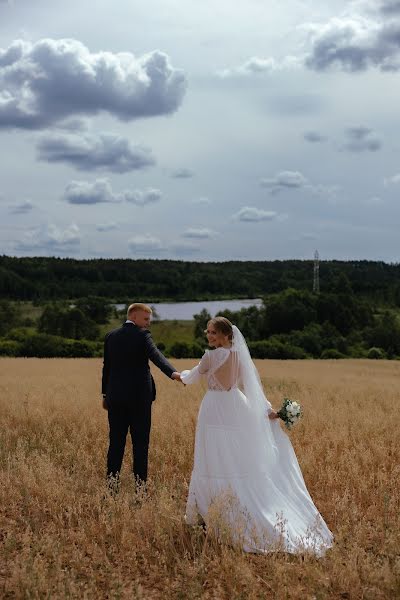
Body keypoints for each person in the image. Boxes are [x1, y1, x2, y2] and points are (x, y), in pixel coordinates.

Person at [181, 316, 333, 556]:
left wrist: (177, 375)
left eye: (212, 332)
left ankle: (210, 510)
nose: (209, 336)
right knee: (232, 455)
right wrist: (268, 411)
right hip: (235, 405)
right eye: (207, 332)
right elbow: (251, 389)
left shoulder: (209, 357)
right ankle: (224, 506)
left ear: (225, 335)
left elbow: (191, 378)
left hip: (213, 410)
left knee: (212, 455)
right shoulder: (239, 356)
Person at [102, 303, 181, 488]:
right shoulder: (142, 335)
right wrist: (174, 374)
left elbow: (107, 367)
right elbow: (156, 355)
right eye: (146, 319)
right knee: (140, 445)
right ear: (134, 316)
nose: (148, 324)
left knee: (115, 444)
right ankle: (140, 490)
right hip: (139, 399)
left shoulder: (110, 336)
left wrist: (105, 394)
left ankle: (111, 489)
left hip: (115, 398)